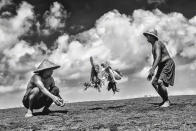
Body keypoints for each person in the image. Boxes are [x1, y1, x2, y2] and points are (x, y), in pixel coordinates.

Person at [143, 29, 175, 107]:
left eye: (148, 35)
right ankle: (165, 100)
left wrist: (153, 69)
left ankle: (167, 101)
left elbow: (158, 57)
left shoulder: (157, 44)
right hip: (161, 66)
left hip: (167, 64)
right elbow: (155, 60)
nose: (147, 37)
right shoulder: (153, 46)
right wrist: (152, 71)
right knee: (154, 83)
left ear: (153, 37)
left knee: (160, 82)